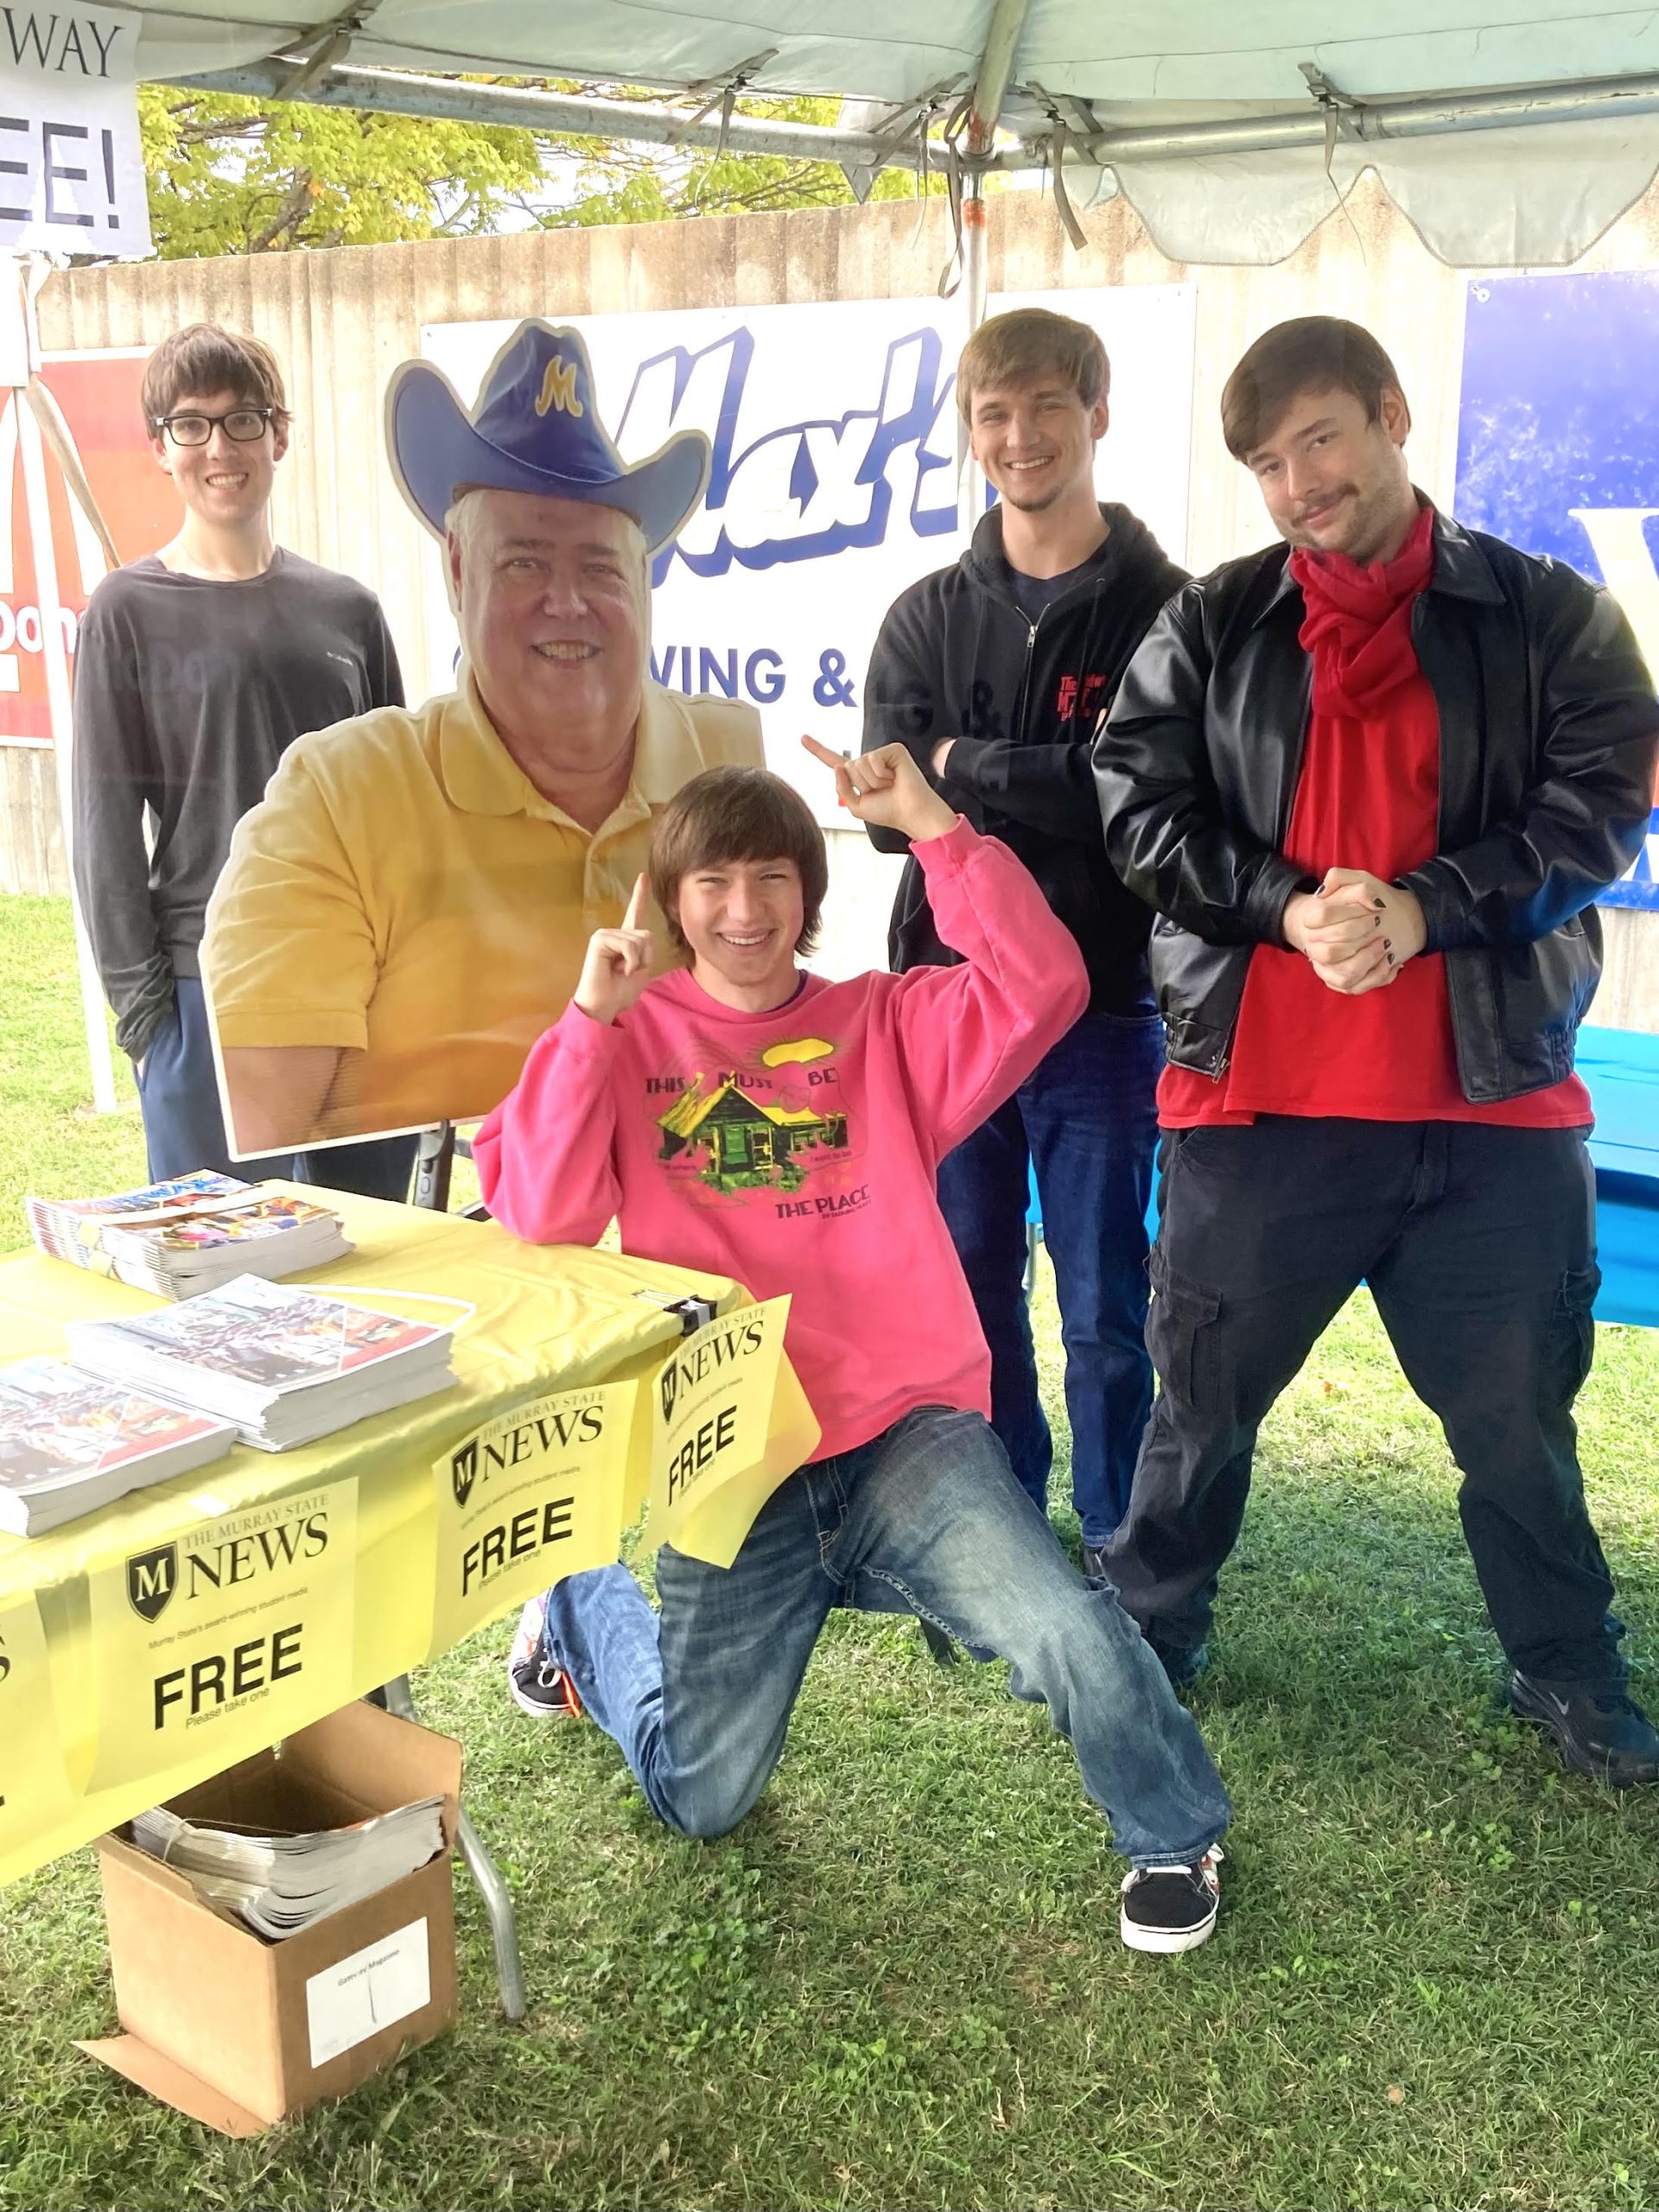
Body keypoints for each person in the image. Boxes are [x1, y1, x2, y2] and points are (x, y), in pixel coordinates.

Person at [474, 744, 1233, 1952]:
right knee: (703, 1798)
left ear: (806, 899)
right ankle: (574, 1600)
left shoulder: (880, 1023)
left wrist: (934, 821)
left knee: (1060, 1620)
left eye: (771, 877)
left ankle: (1172, 1832)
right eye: (713, 882)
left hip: (901, 1433)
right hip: (733, 1453)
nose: (742, 908)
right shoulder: (619, 1038)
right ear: (675, 902)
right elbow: (544, 1213)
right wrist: (583, 1022)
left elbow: (1044, 984)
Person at [1093, 315, 1659, 1788]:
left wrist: (1426, 912)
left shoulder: (1550, 618)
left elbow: (1600, 806)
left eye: (1321, 441)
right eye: (1270, 464)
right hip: (1259, 1100)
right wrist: (1288, 907)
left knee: (1520, 1427)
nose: (1298, 484)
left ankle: (1569, 1669)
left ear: (1393, 417)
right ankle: (1149, 1634)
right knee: (1200, 1410)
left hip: (1492, 1107)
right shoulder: (1210, 625)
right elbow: (1139, 812)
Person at [200, 321, 761, 1156]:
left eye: (601, 567)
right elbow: (265, 1143)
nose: (567, 603)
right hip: (435, 1263)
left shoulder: (730, 764)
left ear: (643, 583)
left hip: (682, 1246)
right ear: (458, 574)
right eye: (526, 563)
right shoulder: (334, 797)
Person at [861, 307, 1187, 1565]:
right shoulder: (925, 613)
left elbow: (1144, 798)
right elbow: (893, 821)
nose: (1021, 436)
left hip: (1105, 1005)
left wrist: (958, 768)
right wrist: (1027, 778)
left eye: (1047, 406)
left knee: (1109, 1302)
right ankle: (1003, 1532)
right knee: (968, 1282)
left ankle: (1120, 1544)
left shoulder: (1171, 611)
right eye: (994, 415)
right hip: (952, 1011)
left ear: (1097, 413)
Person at [71, 323, 415, 1198]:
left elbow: (400, 819)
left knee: (372, 1266)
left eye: (242, 422)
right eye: (191, 426)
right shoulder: (126, 611)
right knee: (219, 1298)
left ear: (281, 435)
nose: (219, 448)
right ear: (159, 447)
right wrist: (151, 1024)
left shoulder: (349, 612)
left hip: (353, 991)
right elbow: (104, 830)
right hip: (202, 991)